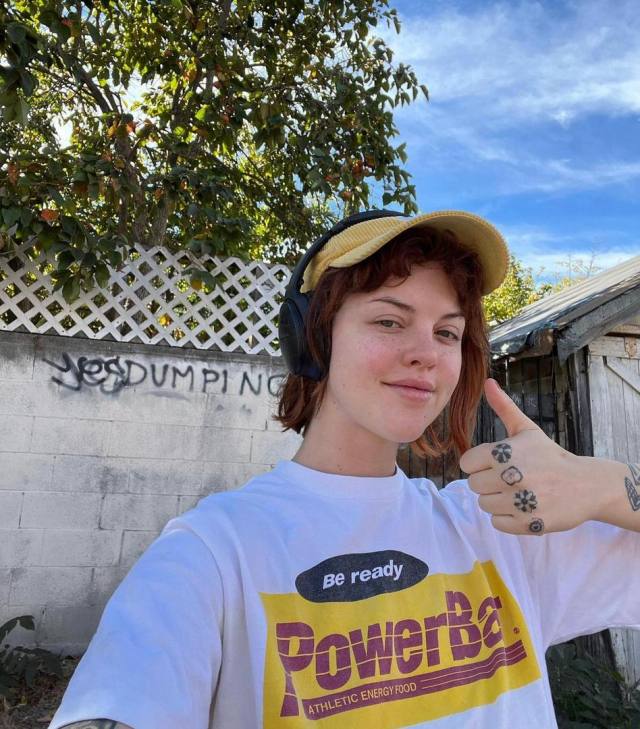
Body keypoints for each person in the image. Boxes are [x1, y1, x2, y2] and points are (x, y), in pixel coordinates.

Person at [49, 209, 640, 729]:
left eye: (447, 332)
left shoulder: (502, 529)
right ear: (313, 338)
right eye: (389, 321)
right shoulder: (212, 555)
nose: (426, 353)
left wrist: (605, 486)